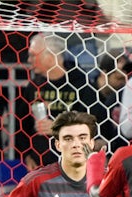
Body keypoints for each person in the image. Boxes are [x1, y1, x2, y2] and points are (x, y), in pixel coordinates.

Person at [14, 33, 97, 170]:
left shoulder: (81, 85)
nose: (29, 60)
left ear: (50, 57)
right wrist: (27, 155)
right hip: (40, 167)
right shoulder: (33, 87)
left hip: (75, 166)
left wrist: (61, 128)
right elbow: (21, 125)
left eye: (33, 55)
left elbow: (95, 123)